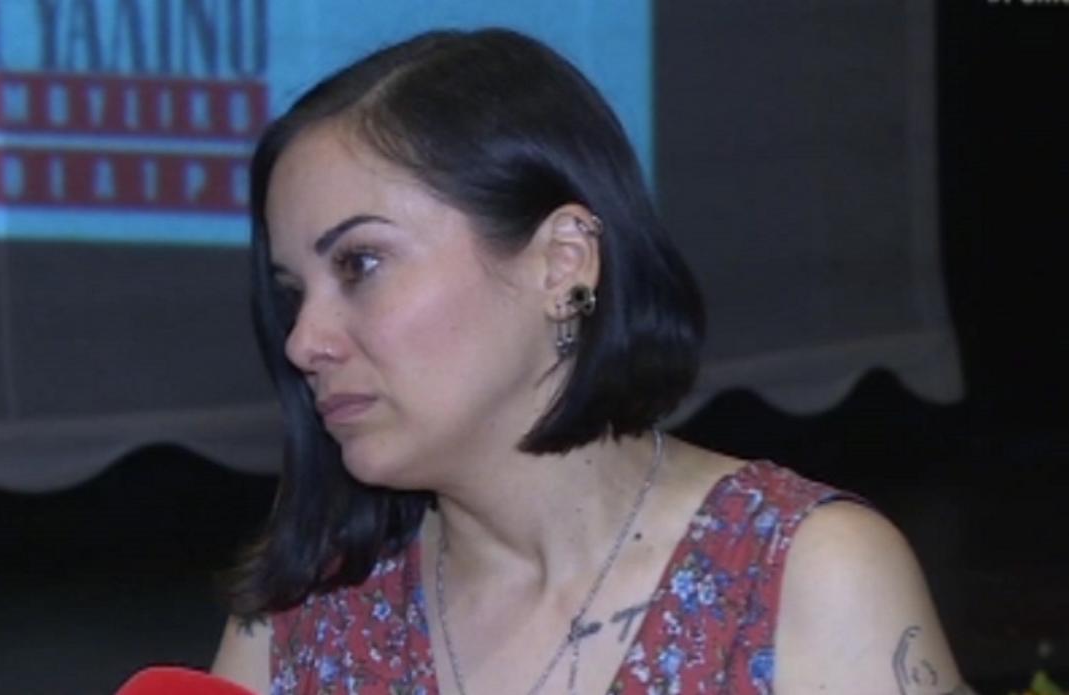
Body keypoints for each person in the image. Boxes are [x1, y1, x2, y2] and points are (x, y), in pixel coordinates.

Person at [210, 28, 968, 695]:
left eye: (361, 263)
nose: (303, 340)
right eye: (293, 293)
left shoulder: (801, 575)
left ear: (562, 262)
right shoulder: (305, 609)